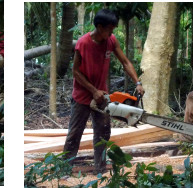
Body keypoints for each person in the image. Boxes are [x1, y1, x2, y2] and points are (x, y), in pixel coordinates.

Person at [64, 9, 145, 173]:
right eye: (109, 29)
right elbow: (76, 72)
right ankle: (63, 170)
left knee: (103, 133)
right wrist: (93, 90)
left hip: (102, 97)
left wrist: (138, 82)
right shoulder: (83, 43)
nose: (112, 32)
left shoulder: (111, 41)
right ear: (100, 27)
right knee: (74, 134)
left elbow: (125, 62)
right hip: (82, 96)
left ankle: (100, 169)